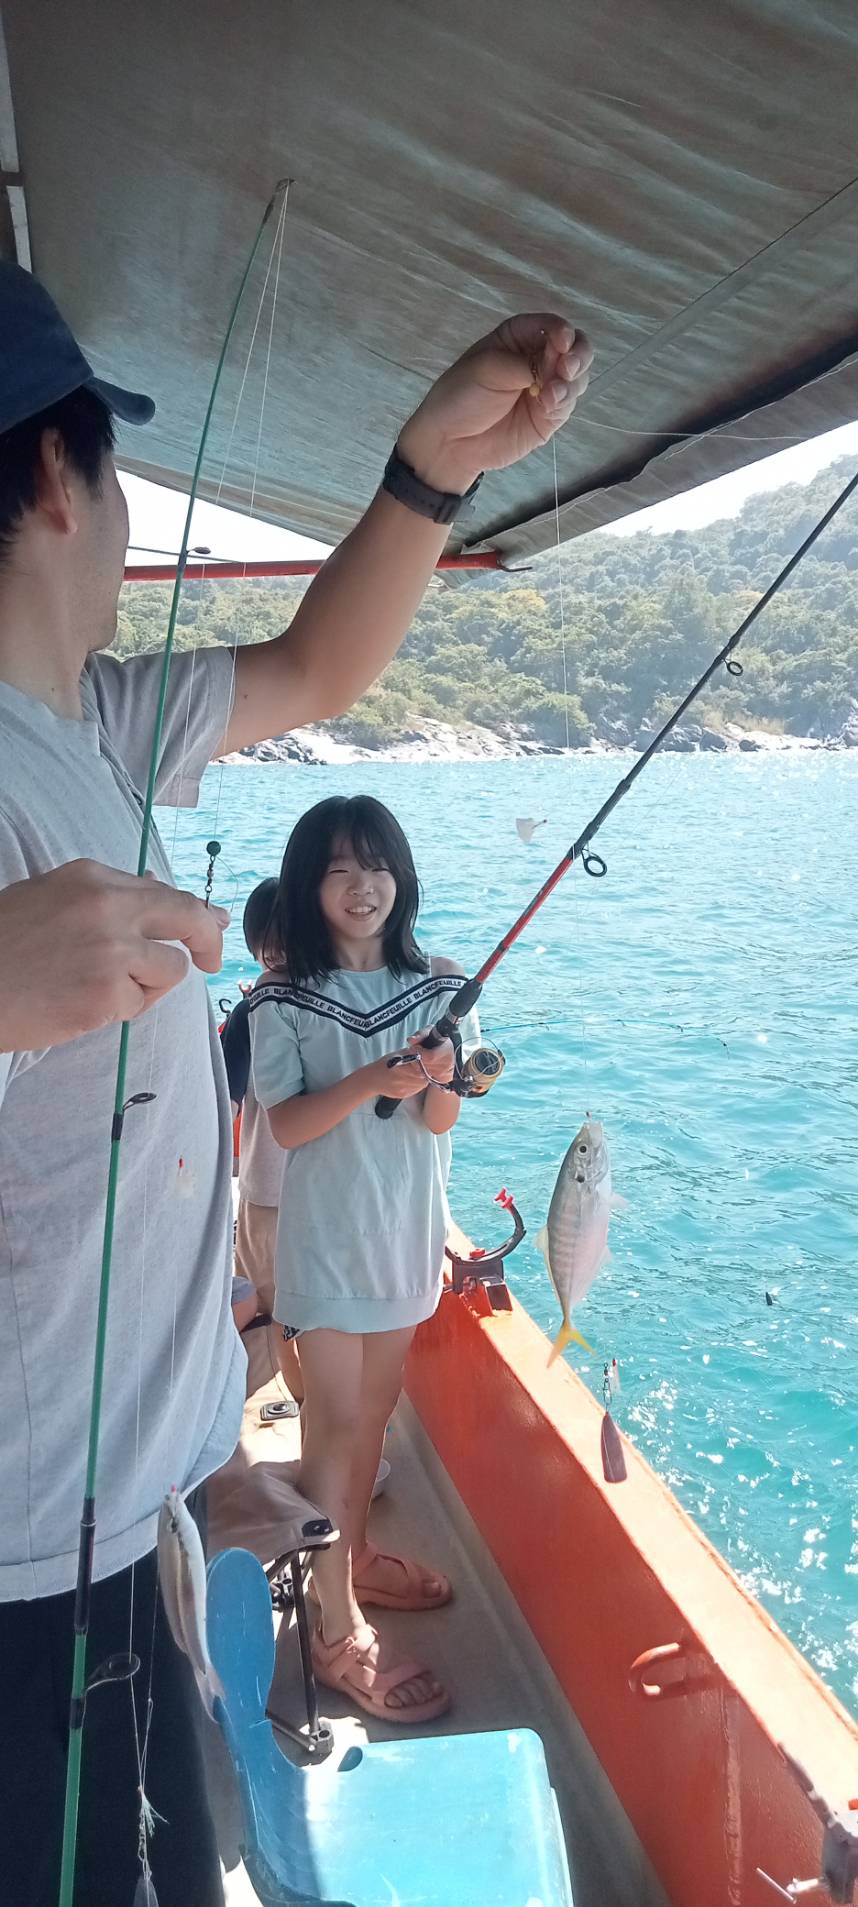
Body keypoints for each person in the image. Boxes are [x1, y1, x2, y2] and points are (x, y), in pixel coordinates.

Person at [0, 253, 590, 1906]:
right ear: (57, 474)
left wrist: (429, 469)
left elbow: (319, 664)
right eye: (118, 471)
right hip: (31, 1578)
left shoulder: (94, 721)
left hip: (136, 1527)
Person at [249, 796, 479, 1724]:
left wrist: (439, 1075)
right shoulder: (280, 997)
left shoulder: (438, 987)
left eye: (377, 864)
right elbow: (288, 1124)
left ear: (401, 878)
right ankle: (332, 1622)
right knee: (335, 1425)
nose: (361, 884)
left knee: (374, 1417)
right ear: (309, 885)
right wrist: (366, 1080)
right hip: (327, 1243)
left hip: (404, 1235)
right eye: (339, 868)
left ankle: (355, 1558)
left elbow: (440, 1119)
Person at [221, 878, 304, 1399]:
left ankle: (306, 1405)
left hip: (305, 1195)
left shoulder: (253, 1011)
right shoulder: (249, 1014)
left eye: (286, 937)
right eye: (265, 940)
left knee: (288, 1314)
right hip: (269, 1193)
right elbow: (225, 1104)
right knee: (285, 1314)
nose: (275, 951)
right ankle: (304, 1404)